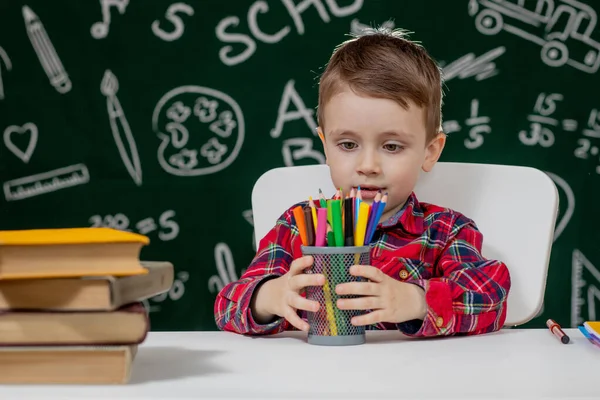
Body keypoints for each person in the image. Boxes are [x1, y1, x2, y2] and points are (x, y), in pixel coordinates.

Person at [214, 27, 511, 337]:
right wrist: (267, 298)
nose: (368, 166)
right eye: (348, 145)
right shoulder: (299, 226)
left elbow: (492, 298)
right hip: (315, 379)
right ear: (325, 146)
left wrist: (417, 300)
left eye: (392, 146)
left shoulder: (446, 232)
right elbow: (226, 305)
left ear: (430, 151)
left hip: (414, 379)